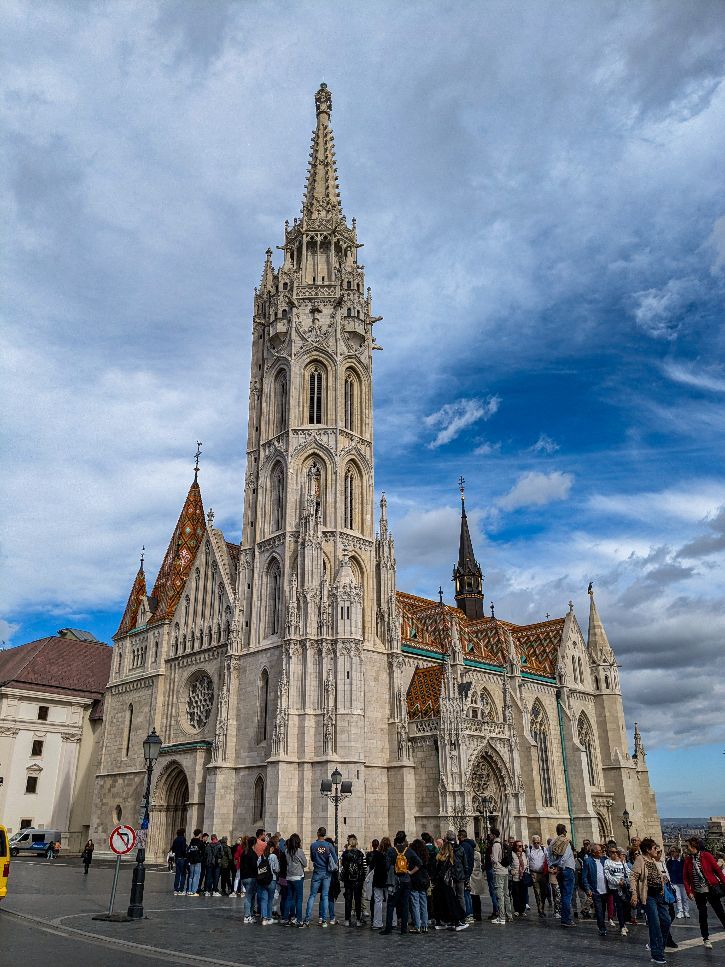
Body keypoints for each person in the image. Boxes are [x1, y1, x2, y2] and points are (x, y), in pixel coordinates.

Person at [631, 837, 671, 966]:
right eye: (654, 848)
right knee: (655, 923)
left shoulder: (653, 860)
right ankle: (657, 954)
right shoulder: (640, 860)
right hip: (648, 896)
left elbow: (655, 875)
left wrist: (662, 879)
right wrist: (634, 894)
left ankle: (659, 947)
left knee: (666, 921)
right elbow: (633, 877)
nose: (657, 850)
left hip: (659, 895)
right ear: (648, 849)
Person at [683, 836, 725, 950]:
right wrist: (689, 891)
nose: (687, 848)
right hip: (698, 891)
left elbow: (717, 870)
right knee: (702, 915)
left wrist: (724, 883)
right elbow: (685, 878)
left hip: (711, 888)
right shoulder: (688, 860)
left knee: (720, 911)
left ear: (694, 846)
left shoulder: (706, 856)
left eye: (688, 846)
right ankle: (706, 938)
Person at [380, 830, 422, 935]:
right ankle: (404, 929)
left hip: (395, 881)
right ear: (404, 840)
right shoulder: (409, 851)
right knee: (405, 905)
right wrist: (411, 872)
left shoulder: (391, 850)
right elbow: (419, 863)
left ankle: (388, 928)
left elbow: (386, 866)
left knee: (390, 905)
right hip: (406, 880)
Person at [301, 826, 337, 928]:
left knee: (312, 895)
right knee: (325, 896)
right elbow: (335, 859)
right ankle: (324, 920)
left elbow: (312, 859)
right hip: (326, 873)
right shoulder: (329, 845)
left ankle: (307, 919)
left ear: (318, 833)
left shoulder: (313, 845)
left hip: (317, 872)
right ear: (324, 834)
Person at [431, 834, 468, 931]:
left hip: (438, 883)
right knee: (453, 902)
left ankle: (441, 922)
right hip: (446, 883)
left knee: (441, 903)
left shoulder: (438, 857)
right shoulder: (447, 859)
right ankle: (457, 922)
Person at [547, 824, 576, 928]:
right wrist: (560, 866)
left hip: (559, 871)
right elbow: (565, 856)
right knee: (567, 895)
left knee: (563, 894)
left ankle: (565, 917)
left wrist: (553, 865)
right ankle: (566, 919)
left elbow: (548, 855)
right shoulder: (566, 841)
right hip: (567, 869)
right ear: (564, 831)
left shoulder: (552, 842)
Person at [582, 843, 608, 936]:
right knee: (599, 910)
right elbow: (584, 877)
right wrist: (588, 889)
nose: (601, 852)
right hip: (595, 890)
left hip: (605, 890)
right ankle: (602, 928)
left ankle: (602, 924)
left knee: (603, 909)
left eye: (601, 850)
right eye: (599, 851)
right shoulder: (588, 861)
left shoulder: (604, 860)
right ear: (593, 853)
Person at [604, 843, 630, 935]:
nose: (614, 854)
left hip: (623, 887)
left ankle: (624, 923)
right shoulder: (607, 862)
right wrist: (617, 882)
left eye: (615, 852)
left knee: (625, 906)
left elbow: (628, 872)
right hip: (614, 887)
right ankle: (622, 926)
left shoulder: (622, 862)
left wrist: (625, 881)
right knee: (619, 906)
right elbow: (607, 875)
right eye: (611, 852)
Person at [341, 834, 366, 926]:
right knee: (358, 899)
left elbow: (343, 866)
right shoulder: (360, 853)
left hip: (348, 880)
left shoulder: (345, 854)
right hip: (358, 880)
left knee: (348, 900)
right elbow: (364, 867)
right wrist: (362, 878)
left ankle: (347, 920)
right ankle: (358, 920)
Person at [283, 833, 306, 925]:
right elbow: (305, 863)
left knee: (289, 898)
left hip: (289, 877)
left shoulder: (286, 851)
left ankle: (288, 918)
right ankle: (299, 920)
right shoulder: (299, 851)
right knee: (299, 899)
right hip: (298, 877)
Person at [491, 827, 513, 924]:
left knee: (500, 894)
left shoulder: (496, 845)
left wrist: (491, 858)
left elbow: (495, 860)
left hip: (499, 871)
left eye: (491, 834)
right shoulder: (504, 844)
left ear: (493, 835)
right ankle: (509, 915)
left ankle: (501, 917)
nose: (490, 836)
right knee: (506, 894)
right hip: (505, 870)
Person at [409, 836, 431, 932]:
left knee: (415, 903)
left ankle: (417, 926)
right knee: (424, 903)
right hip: (424, 880)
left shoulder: (413, 855)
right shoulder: (425, 854)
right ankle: (425, 925)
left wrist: (410, 872)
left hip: (415, 880)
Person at [256, 839, 279, 925]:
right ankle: (269, 917)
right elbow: (276, 869)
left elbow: (257, 867)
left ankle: (264, 918)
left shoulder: (261, 856)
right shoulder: (273, 856)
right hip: (271, 879)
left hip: (262, 880)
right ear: (272, 848)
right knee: (270, 899)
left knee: (264, 899)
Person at [370, 837, 390, 929]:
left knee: (378, 901)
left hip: (378, 879)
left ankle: (377, 923)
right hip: (389, 880)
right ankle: (392, 922)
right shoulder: (392, 853)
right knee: (391, 901)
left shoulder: (377, 854)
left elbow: (372, 866)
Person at [240, 834, 260, 922]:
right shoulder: (252, 853)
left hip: (244, 877)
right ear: (254, 844)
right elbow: (254, 866)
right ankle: (247, 915)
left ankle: (250, 915)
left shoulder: (244, 852)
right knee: (248, 897)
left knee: (251, 897)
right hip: (251, 877)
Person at [665, 847, 688, 919]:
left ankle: (686, 911)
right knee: (678, 898)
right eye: (671, 851)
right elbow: (667, 871)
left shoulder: (682, 861)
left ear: (678, 852)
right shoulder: (669, 861)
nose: (672, 853)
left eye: (673, 851)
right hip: (674, 881)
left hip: (683, 881)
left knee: (684, 897)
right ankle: (680, 911)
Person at [457, 829, 475, 920]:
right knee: (467, 893)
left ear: (461, 836)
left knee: (464, 894)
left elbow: (463, 860)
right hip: (468, 871)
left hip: (464, 872)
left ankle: (467, 913)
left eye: (458, 836)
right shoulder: (470, 845)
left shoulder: (463, 846)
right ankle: (470, 913)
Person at [528, 835, 548, 916]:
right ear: (532, 842)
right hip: (534, 873)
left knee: (544, 892)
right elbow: (527, 860)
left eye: (538, 842)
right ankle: (540, 910)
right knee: (537, 892)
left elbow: (548, 859)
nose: (536, 844)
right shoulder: (529, 850)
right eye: (535, 842)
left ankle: (542, 907)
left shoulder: (543, 849)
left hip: (543, 874)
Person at [509, 841, 530, 918]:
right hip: (515, 877)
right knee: (516, 894)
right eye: (518, 846)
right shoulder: (512, 854)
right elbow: (509, 864)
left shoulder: (524, 854)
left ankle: (522, 909)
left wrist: (524, 870)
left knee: (523, 893)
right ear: (515, 846)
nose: (520, 847)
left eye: (521, 846)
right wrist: (511, 870)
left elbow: (527, 863)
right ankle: (517, 910)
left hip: (523, 877)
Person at [484, 832, 500, 920]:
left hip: (491, 869)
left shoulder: (493, 846)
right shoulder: (498, 845)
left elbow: (493, 859)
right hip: (495, 870)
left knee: (493, 891)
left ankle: (496, 910)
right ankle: (496, 910)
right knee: (496, 890)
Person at [469, 841, 485, 921]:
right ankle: (478, 913)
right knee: (476, 896)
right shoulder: (478, 854)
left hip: (473, 875)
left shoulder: (474, 854)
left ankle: (475, 913)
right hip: (478, 875)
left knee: (473, 896)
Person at [186, 828, 204, 896]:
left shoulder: (191, 842)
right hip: (197, 861)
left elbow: (188, 851)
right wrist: (200, 858)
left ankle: (189, 890)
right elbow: (203, 853)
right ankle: (194, 891)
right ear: (199, 834)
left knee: (191, 876)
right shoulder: (200, 843)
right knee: (196, 876)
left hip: (191, 861)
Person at [171, 827, 187, 895]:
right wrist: (185, 855)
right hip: (182, 858)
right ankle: (181, 889)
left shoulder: (175, 839)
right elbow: (183, 849)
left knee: (177, 874)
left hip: (177, 858)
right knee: (183, 874)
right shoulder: (183, 839)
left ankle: (175, 889)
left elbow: (173, 849)